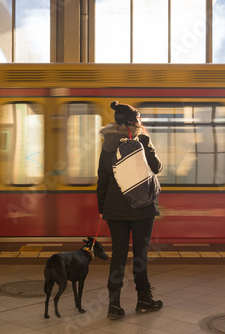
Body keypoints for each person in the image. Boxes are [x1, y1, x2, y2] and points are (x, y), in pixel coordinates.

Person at [97, 101, 163, 320]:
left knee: (118, 255)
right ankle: (144, 299)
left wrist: (101, 208)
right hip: (142, 207)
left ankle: (113, 306)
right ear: (135, 121)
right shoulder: (142, 139)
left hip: (115, 209)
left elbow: (103, 179)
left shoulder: (107, 144)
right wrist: (147, 142)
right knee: (140, 255)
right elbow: (156, 167)